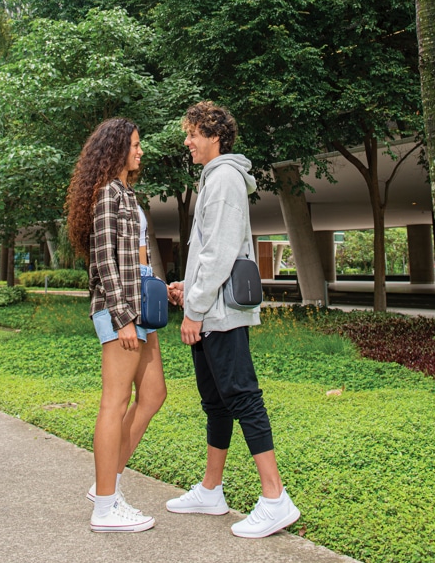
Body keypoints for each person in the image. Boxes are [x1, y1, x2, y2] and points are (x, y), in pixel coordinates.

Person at [166, 101, 300, 538]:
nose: (187, 141)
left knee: (242, 396)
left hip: (218, 315)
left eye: (192, 134)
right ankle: (211, 490)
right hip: (211, 308)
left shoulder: (224, 179)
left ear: (214, 136)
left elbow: (220, 253)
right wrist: (189, 287)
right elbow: (210, 252)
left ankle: (275, 499)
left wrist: (194, 310)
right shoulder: (214, 178)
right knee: (216, 402)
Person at [66, 117, 166, 532]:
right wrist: (123, 316)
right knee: (115, 402)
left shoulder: (128, 193)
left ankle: (106, 485)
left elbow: (137, 257)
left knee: (154, 394)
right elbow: (103, 259)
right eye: (135, 144)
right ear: (116, 149)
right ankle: (105, 507)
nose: (141, 151)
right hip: (120, 305)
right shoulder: (108, 192)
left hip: (141, 299)